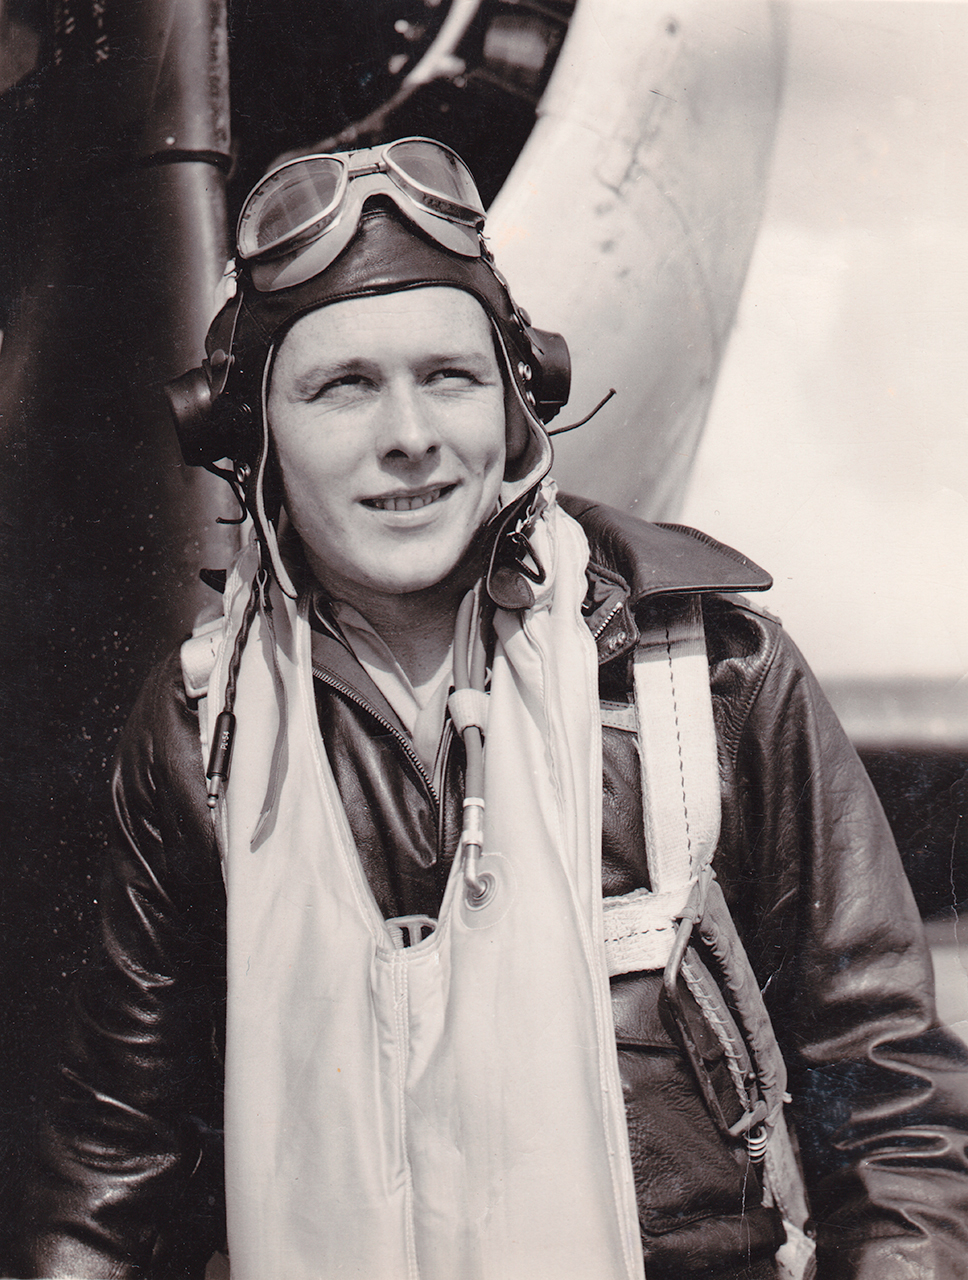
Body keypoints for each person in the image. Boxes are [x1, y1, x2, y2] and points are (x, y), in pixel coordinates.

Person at [14, 138, 968, 1280]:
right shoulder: (199, 731)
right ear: (249, 431)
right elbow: (116, 1161)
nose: (409, 436)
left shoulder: (707, 674)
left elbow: (892, 1110)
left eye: (449, 377)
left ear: (519, 404)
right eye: (342, 386)